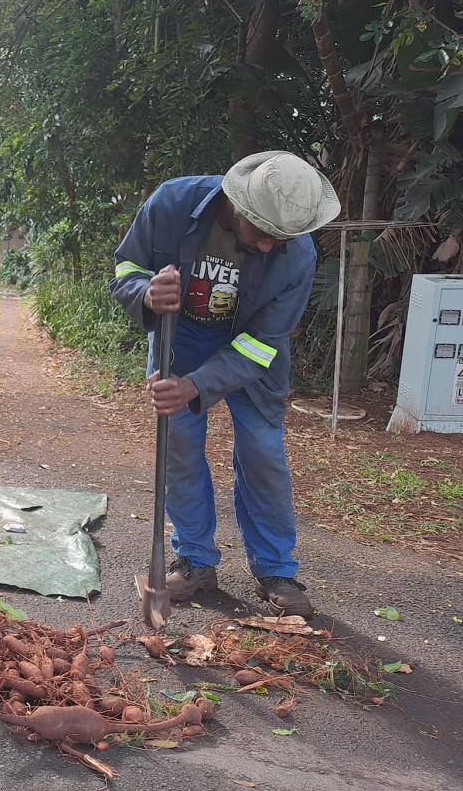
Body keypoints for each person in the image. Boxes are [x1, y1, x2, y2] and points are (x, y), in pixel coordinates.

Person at [109, 151, 339, 618]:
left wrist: (199, 386)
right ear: (238, 205)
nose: (271, 247)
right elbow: (126, 268)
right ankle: (194, 559)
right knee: (178, 445)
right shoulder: (173, 203)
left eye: (283, 238)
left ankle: (276, 568)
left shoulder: (297, 254)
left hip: (252, 349)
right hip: (181, 338)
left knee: (263, 453)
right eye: (264, 233)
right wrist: (146, 292)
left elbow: (263, 342)